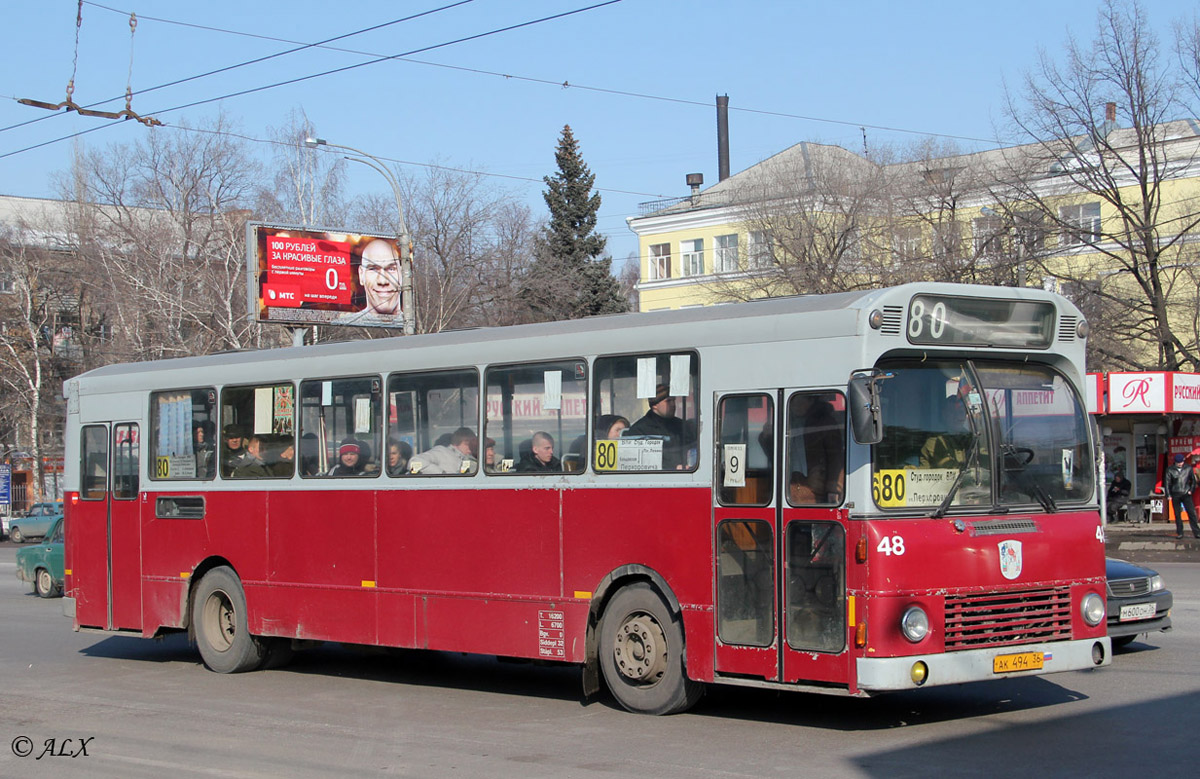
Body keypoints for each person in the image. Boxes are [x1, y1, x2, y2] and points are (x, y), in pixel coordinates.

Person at [788, 395, 844, 504]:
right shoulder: (789, 420)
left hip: (813, 485)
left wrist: (832, 484)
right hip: (793, 483)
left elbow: (835, 455)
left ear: (811, 400)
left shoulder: (824, 422)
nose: (793, 405)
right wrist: (766, 436)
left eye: (796, 400)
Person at [335, 239, 403, 326]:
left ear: (402, 274)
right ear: (361, 275)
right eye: (373, 269)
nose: (383, 281)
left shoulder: (416, 324)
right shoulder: (345, 323)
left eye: (391, 269)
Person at [627, 385, 694, 470]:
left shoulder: (683, 426)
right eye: (668, 401)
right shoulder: (639, 430)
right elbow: (640, 461)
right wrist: (673, 467)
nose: (673, 404)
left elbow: (692, 448)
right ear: (655, 405)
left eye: (674, 400)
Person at [920, 396, 970, 469]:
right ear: (944, 414)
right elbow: (950, 468)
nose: (957, 416)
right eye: (952, 412)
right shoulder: (935, 440)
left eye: (961, 412)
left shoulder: (970, 437)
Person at [409, 427, 478, 474]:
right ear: (456, 442)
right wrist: (442, 474)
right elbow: (415, 461)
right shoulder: (442, 452)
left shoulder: (471, 458)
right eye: (467, 444)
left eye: (473, 445)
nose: (471, 447)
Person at [1165, 453, 1200, 539]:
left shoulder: (1188, 468)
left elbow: (1193, 481)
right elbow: (1167, 483)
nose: (1180, 464)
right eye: (1178, 463)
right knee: (1177, 515)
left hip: (1186, 493)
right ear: (1175, 462)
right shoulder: (1170, 470)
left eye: (1181, 462)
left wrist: (1191, 491)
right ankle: (1180, 532)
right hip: (1175, 494)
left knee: (1191, 513)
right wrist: (1168, 494)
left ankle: (1197, 532)